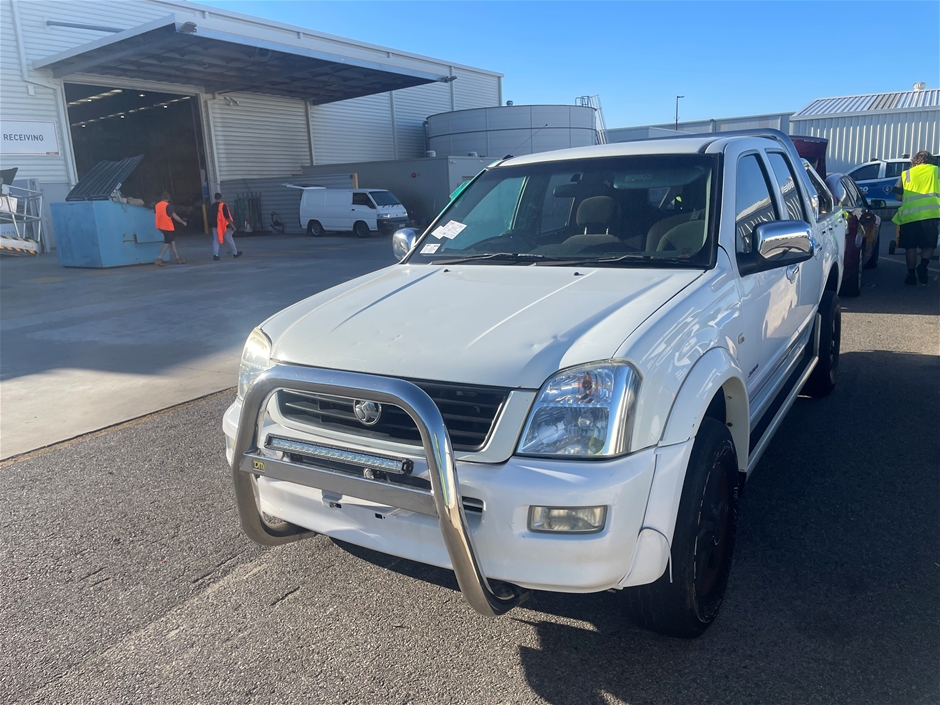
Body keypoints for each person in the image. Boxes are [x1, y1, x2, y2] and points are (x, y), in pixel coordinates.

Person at [892, 150, 939, 286]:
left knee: (910, 247)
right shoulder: (937, 171)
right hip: (931, 215)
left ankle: (911, 275)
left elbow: (898, 196)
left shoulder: (906, 174)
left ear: (915, 160)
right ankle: (923, 265)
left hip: (909, 216)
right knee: (928, 244)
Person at [154, 192, 187, 266]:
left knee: (172, 242)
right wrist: (183, 222)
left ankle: (178, 258)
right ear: (169, 198)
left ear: (162, 198)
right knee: (167, 243)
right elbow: (175, 216)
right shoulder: (168, 206)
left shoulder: (157, 205)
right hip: (167, 227)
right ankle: (159, 258)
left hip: (160, 226)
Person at [208, 192, 242, 261]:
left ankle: (215, 255)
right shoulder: (223, 205)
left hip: (215, 226)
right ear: (221, 197)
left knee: (216, 240)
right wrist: (232, 226)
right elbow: (227, 217)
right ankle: (235, 253)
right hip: (224, 226)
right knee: (229, 239)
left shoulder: (212, 206)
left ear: (215, 198)